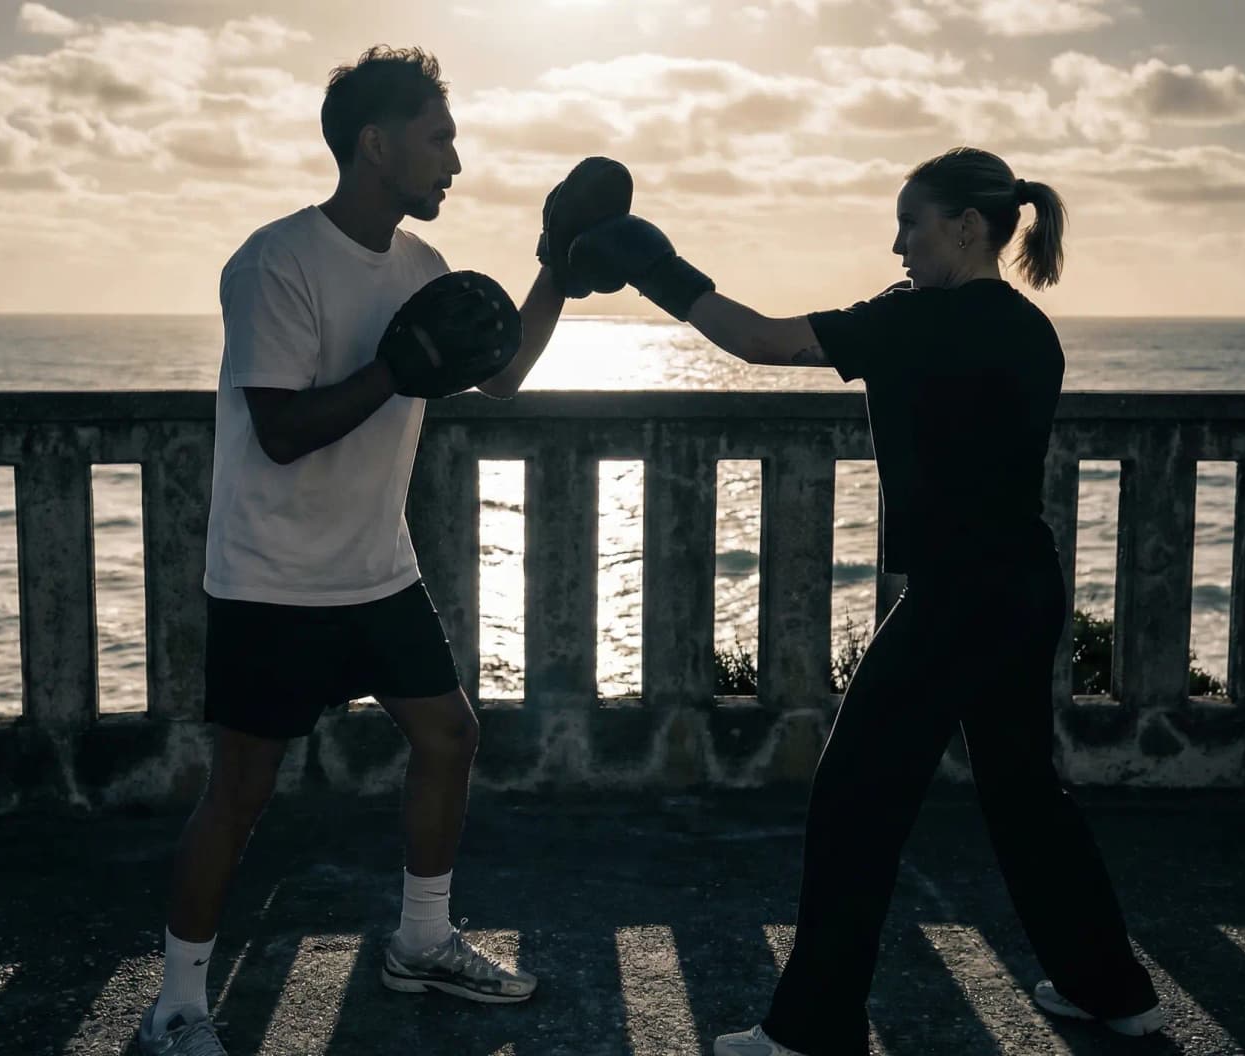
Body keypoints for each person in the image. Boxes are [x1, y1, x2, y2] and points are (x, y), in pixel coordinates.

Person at [567, 146, 1168, 1055]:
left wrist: (656, 268)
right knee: (1024, 795)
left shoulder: (921, 322)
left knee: (856, 801)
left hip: (958, 599)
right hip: (1022, 587)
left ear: (967, 227)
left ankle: (815, 1025)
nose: (896, 244)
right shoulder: (1025, 326)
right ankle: (1111, 988)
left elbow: (764, 342)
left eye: (910, 223)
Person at [137, 46, 628, 1055]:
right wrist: (396, 367)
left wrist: (554, 263)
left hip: (377, 570)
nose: (454, 161)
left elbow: (496, 379)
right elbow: (279, 429)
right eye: (438, 138)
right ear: (376, 143)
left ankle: (420, 940)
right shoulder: (272, 263)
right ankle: (178, 1005)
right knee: (239, 793)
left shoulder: (422, 269)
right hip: (270, 579)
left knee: (448, 736)